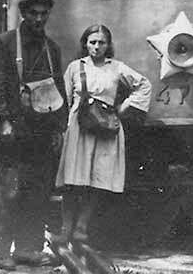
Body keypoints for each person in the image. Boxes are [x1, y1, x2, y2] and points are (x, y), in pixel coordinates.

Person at [0, 0, 67, 271]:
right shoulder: (3, 44)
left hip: (42, 131)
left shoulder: (51, 48)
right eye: (34, 14)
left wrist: (58, 128)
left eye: (44, 14)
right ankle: (1, 251)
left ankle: (29, 249)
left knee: (38, 190)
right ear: (24, 14)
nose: (39, 19)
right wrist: (1, 120)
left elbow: (58, 89)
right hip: (14, 129)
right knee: (9, 191)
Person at [55, 24, 151, 244]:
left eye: (102, 42)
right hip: (79, 127)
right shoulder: (75, 67)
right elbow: (64, 99)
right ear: (85, 44)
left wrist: (124, 107)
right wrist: (62, 129)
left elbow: (144, 85)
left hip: (105, 128)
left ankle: (82, 228)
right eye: (92, 42)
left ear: (108, 45)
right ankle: (65, 229)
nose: (97, 47)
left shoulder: (116, 68)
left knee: (97, 179)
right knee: (72, 181)